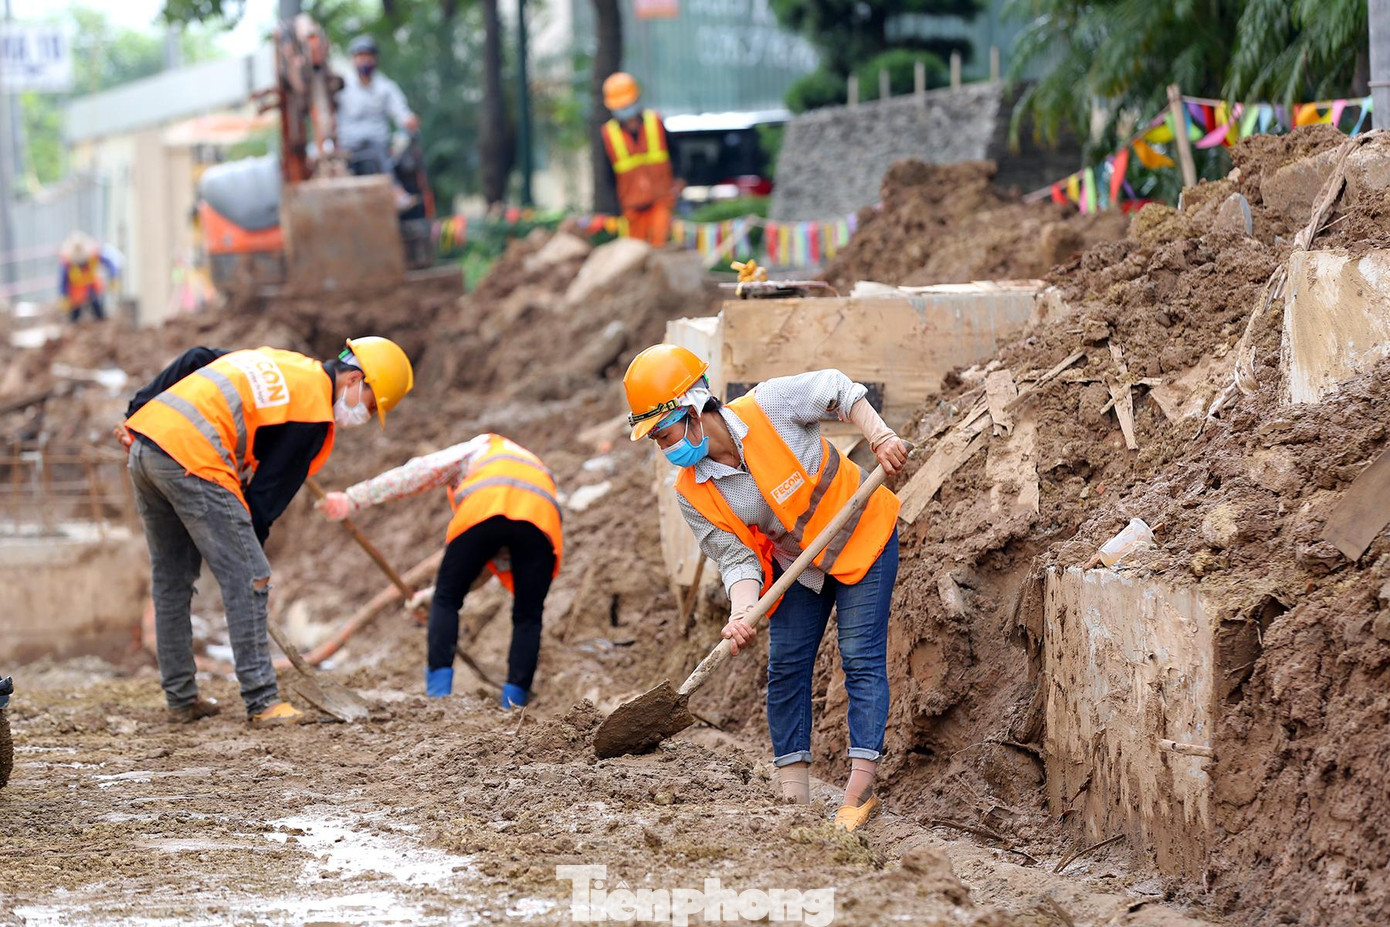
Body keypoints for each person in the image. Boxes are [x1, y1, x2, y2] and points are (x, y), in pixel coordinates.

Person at [624, 345, 908, 832]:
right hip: (798, 563)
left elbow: (840, 387)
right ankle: (792, 801)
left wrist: (880, 437)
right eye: (653, 439)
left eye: (662, 432)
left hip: (863, 534)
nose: (663, 447)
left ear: (691, 409)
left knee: (859, 656)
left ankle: (862, 788)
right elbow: (735, 557)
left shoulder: (770, 406)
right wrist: (742, 613)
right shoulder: (691, 489)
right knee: (786, 666)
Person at [115, 337, 415, 727]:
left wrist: (137, 412)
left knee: (172, 579)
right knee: (250, 575)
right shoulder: (312, 417)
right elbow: (262, 503)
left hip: (148, 447)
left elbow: (198, 357)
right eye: (372, 406)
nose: (365, 416)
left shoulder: (286, 366)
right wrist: (243, 554)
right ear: (356, 380)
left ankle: (181, 699)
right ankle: (262, 701)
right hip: (192, 458)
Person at [317, 434, 562, 710]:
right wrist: (431, 594)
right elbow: (487, 561)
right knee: (528, 615)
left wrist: (352, 499)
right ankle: (514, 704)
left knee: (447, 600)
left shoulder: (479, 446)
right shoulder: (532, 465)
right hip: (542, 522)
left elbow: (417, 474)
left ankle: (438, 698)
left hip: (483, 507)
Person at [601, 72, 681, 247]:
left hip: (661, 199)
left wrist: (680, 180)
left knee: (660, 246)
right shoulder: (609, 134)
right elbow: (608, 174)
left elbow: (675, 153)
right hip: (631, 207)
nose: (624, 108)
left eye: (626, 104)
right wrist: (613, 209)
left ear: (636, 99)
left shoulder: (655, 122)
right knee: (635, 252)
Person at [338, 35, 418, 178]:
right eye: (360, 56)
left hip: (379, 147)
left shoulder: (386, 87)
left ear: (375, 59)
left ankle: (394, 190)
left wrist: (408, 120)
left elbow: (401, 112)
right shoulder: (341, 87)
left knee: (387, 156)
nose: (364, 60)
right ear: (353, 59)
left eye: (368, 56)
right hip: (347, 148)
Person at [58, 232, 119, 323]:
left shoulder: (94, 255)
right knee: (74, 316)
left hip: (92, 288)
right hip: (76, 292)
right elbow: (63, 280)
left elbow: (110, 263)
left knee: (98, 311)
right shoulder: (67, 262)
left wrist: (113, 277)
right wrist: (64, 295)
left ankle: (99, 319)